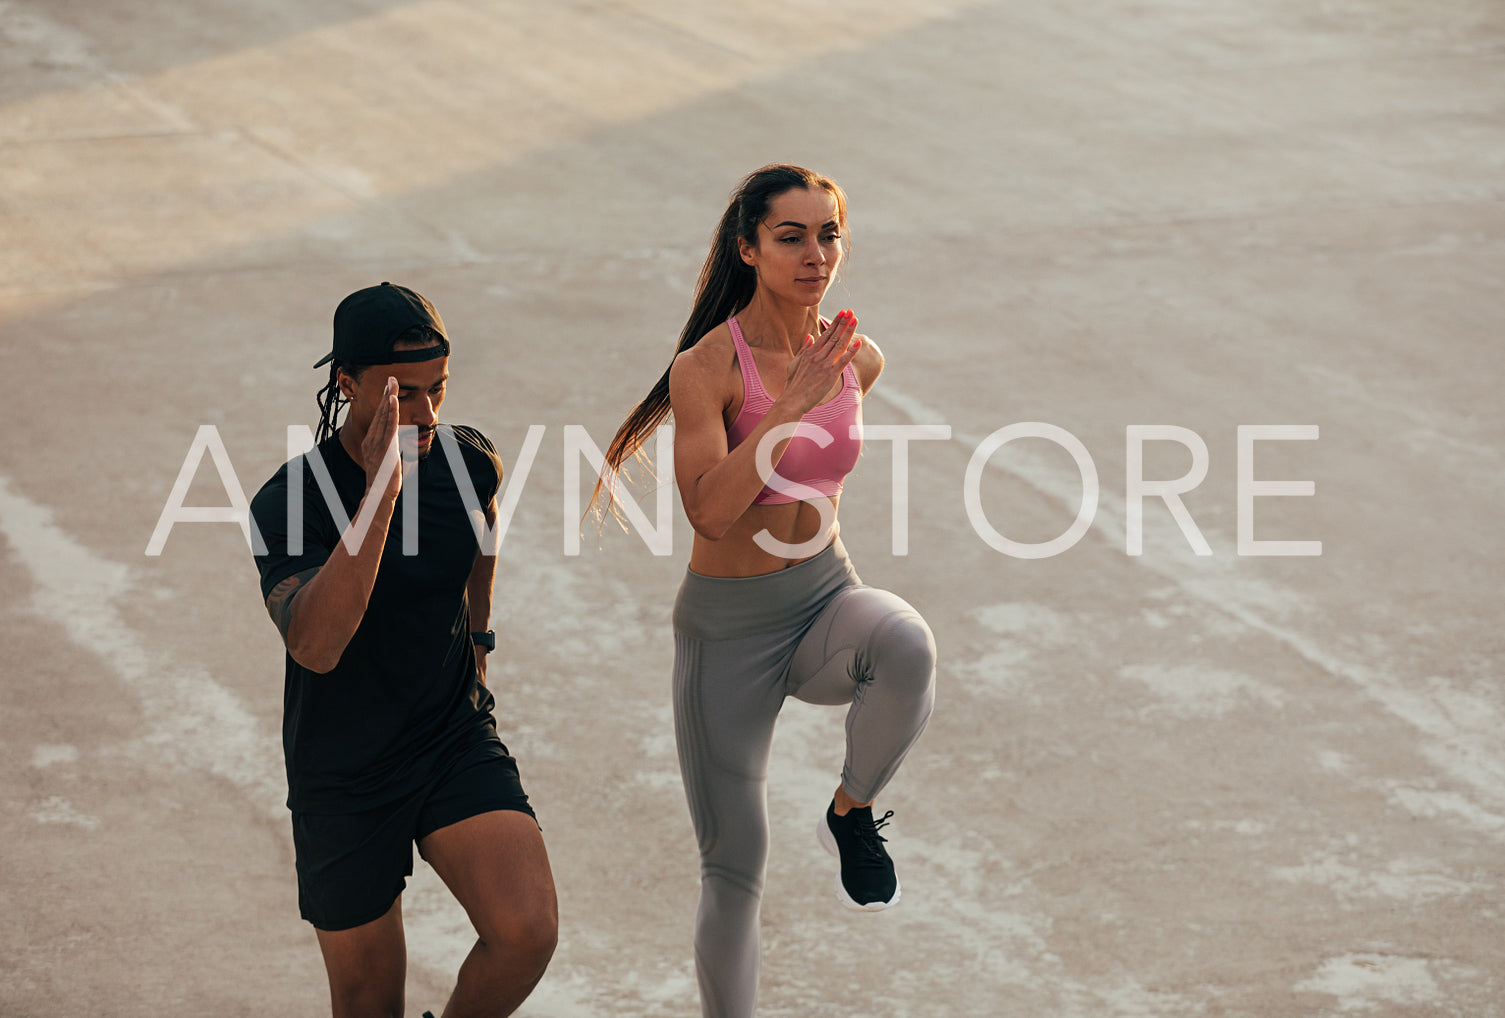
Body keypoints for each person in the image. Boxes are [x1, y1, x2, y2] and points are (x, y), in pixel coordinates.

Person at [594, 165, 937, 1017]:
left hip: (823, 598)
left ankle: (850, 811)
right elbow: (709, 512)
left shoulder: (857, 357)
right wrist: (789, 408)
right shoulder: (706, 368)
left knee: (905, 642)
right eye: (791, 236)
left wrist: (816, 393)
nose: (815, 253)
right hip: (728, 632)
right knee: (734, 865)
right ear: (748, 248)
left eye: (828, 233)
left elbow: (826, 470)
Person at [249, 283, 557, 1018]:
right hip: (343, 769)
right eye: (403, 395)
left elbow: (480, 537)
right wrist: (382, 490)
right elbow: (317, 645)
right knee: (367, 1003)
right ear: (347, 385)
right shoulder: (287, 502)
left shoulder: (466, 460)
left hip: (448, 735)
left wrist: (479, 637)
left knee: (526, 933)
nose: (424, 414)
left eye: (437, 391)